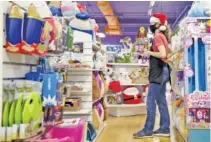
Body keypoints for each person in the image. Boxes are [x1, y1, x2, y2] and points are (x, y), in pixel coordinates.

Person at [133, 13, 173, 139]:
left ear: (157, 24)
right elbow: (167, 53)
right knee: (161, 100)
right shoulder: (163, 37)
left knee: (150, 101)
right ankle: (164, 128)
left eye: (152, 23)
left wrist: (148, 52)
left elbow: (162, 54)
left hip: (158, 72)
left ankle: (148, 130)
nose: (150, 25)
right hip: (164, 70)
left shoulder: (158, 37)